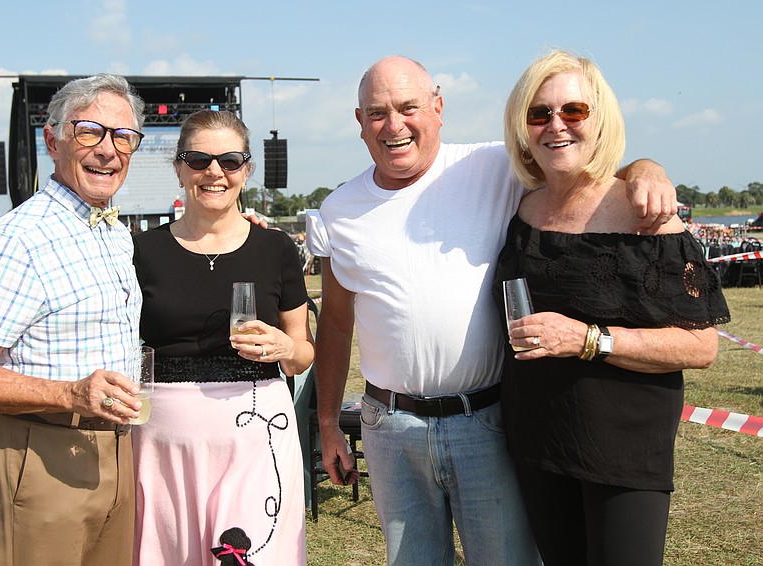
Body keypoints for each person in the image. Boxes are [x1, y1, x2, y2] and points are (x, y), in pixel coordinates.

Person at [305, 55, 678, 565]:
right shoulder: (339, 209)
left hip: (486, 422)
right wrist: (329, 422)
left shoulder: (493, 168)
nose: (394, 126)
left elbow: (579, 166)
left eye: (408, 107)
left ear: (438, 107)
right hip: (389, 430)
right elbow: (336, 322)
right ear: (359, 121)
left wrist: (645, 169)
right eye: (377, 113)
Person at [492, 50, 730, 566]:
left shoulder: (646, 215)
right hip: (536, 442)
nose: (557, 125)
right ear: (522, 127)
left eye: (574, 111)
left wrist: (587, 339)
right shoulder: (520, 205)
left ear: (601, 120)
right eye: (539, 113)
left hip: (622, 451)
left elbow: (700, 344)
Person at [0, 73, 146, 566]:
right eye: (90, 132)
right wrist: (69, 394)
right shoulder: (17, 238)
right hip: (43, 453)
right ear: (52, 140)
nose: (108, 150)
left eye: (123, 137)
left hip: (119, 448)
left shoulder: (115, 234)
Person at [131, 109, 314, 565]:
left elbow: (303, 352)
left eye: (231, 161)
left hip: (258, 435)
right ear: (178, 168)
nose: (215, 172)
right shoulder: (140, 251)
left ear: (247, 171)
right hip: (162, 443)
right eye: (199, 159)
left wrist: (287, 348)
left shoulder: (276, 250)